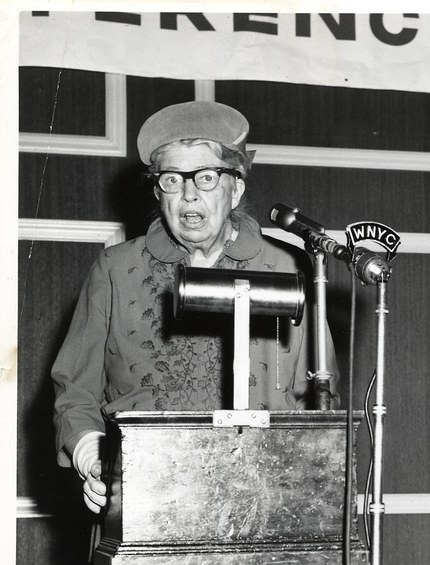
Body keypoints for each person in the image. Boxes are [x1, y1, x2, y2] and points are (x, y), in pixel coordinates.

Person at [51, 100, 339, 513]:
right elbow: (75, 390)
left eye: (205, 177)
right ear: (157, 190)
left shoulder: (289, 268)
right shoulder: (117, 270)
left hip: (266, 497)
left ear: (236, 187)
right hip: (142, 497)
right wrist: (92, 455)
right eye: (172, 179)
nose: (188, 195)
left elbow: (321, 396)